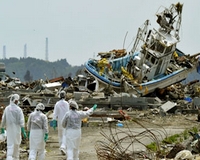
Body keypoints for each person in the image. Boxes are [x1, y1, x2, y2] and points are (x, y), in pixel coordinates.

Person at [0, 93, 27, 160]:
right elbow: (21, 120)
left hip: (9, 130)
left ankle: (9, 157)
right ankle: (15, 157)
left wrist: (2, 127)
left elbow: (4, 119)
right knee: (16, 145)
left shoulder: (7, 109)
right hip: (17, 130)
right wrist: (23, 130)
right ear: (16, 101)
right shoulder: (18, 109)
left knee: (10, 145)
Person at [52, 90, 69, 155]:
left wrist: (54, 121)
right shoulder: (67, 103)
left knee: (60, 135)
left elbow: (55, 113)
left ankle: (61, 148)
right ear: (65, 96)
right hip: (66, 121)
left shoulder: (57, 103)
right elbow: (68, 113)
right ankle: (64, 147)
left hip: (60, 121)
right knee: (65, 134)